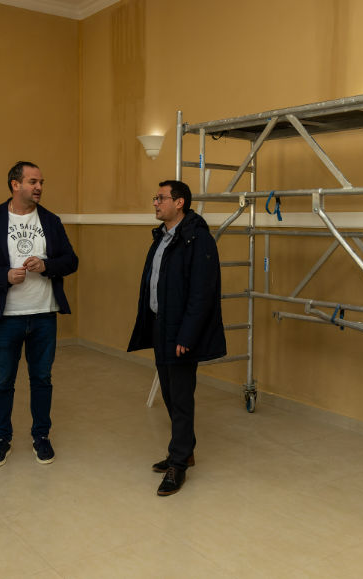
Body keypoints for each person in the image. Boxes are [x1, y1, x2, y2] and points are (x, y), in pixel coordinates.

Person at [0, 161, 78, 468]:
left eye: (41, 182)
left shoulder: (51, 221)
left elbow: (71, 260)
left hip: (44, 314)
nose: (39, 187)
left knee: (42, 378)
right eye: (32, 182)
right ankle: (1, 439)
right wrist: (4, 275)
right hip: (7, 316)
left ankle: (41, 436)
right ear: (15, 185)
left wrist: (46, 265)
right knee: (3, 380)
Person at [128, 179, 226, 496]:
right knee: (170, 393)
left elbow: (202, 293)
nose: (156, 203)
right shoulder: (163, 237)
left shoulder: (198, 239)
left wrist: (187, 335)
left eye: (161, 198)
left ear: (179, 202)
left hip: (181, 331)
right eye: (155, 198)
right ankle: (185, 449)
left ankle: (179, 463)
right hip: (161, 325)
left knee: (181, 397)